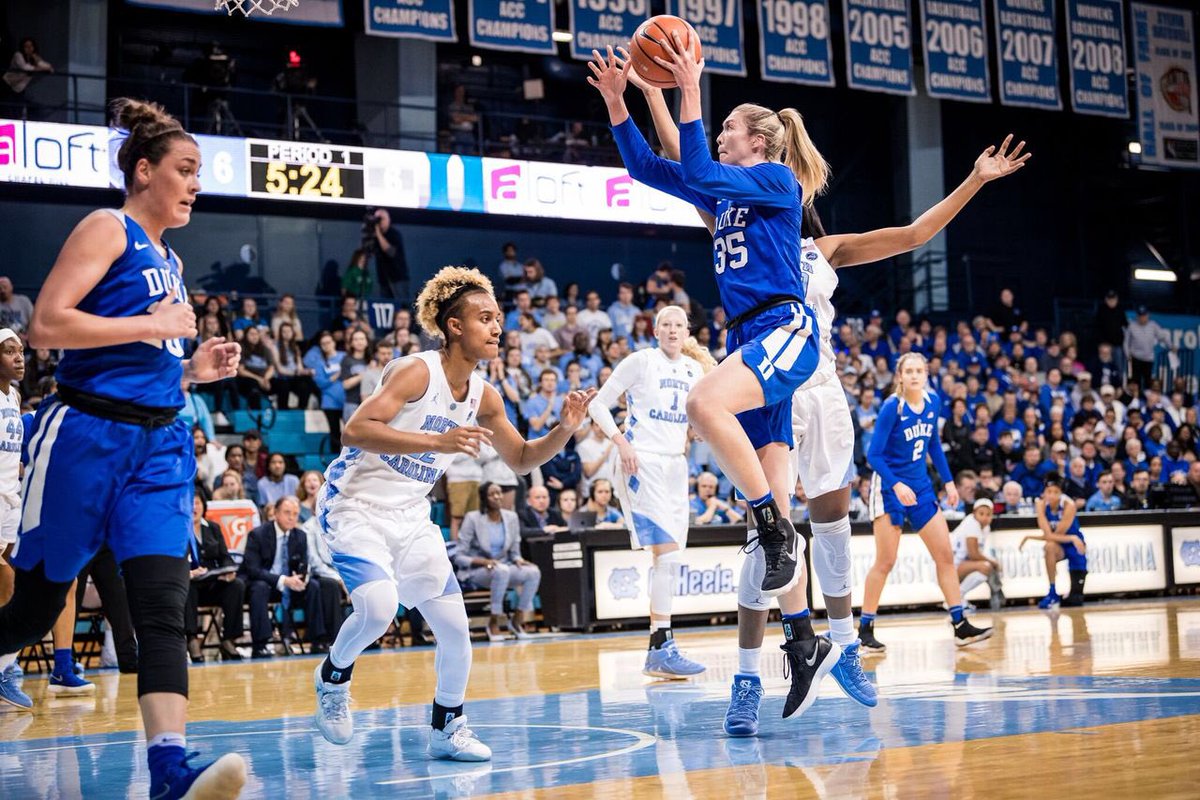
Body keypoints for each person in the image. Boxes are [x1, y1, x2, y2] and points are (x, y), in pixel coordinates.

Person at [628, 54, 1028, 726]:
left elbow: (912, 235)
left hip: (819, 387)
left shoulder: (825, 243)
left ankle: (842, 644)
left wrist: (976, 181)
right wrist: (653, 94)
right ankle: (758, 672)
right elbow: (685, 160)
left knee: (831, 529)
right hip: (764, 375)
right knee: (769, 539)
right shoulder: (738, 218)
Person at [0, 99, 245, 799]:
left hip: (162, 446)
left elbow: (151, 352)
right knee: (29, 614)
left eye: (199, 172)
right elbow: (46, 325)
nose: (197, 183)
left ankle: (170, 766)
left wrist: (193, 369)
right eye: (186, 170)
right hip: (86, 437)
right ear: (144, 171)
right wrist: (147, 325)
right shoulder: (107, 228)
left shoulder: (170, 255)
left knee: (163, 610)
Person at [591, 43, 837, 731]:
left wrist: (687, 86)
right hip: (752, 341)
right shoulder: (727, 197)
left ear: (756, 140)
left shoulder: (777, 182)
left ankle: (771, 526)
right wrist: (624, 98)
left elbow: (696, 161)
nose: (720, 130)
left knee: (703, 403)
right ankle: (802, 638)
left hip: (784, 330)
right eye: (718, 122)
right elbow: (652, 164)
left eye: (728, 124)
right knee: (775, 527)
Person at [310, 266, 593, 761]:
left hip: (411, 516)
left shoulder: (485, 396)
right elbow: (354, 430)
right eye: (485, 318)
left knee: (456, 630)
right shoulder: (416, 371)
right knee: (377, 609)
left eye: (499, 318)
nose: (497, 327)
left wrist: (565, 429)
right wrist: (436, 441)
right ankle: (333, 677)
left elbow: (523, 459)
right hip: (354, 506)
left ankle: (448, 727)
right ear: (454, 326)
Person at [861, 353, 992, 650]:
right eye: (909, 371)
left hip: (921, 488)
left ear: (926, 373)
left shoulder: (933, 402)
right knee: (886, 561)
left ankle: (959, 624)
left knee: (945, 556)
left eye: (919, 370)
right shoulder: (891, 408)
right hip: (889, 488)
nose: (915, 375)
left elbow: (933, 443)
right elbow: (874, 456)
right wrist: (896, 484)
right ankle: (865, 629)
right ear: (900, 376)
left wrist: (948, 482)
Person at [240, 497, 328, 657]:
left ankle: (318, 640)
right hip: (266, 583)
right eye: (287, 513)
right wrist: (283, 580)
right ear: (275, 513)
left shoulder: (300, 535)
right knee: (258, 588)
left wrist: (301, 579)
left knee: (313, 586)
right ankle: (262, 644)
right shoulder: (258, 534)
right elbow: (252, 570)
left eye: (295, 514)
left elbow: (303, 564)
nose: (291, 517)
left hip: (290, 585)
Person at [454, 482, 542, 641]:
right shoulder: (473, 518)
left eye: (499, 493)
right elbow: (459, 556)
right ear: (484, 498)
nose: (497, 497)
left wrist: (519, 560)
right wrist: (483, 561)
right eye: (492, 494)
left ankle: (517, 619)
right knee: (501, 570)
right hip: (477, 571)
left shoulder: (511, 517)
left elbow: (515, 551)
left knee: (533, 572)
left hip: (504, 566)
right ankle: (493, 622)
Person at [184, 493, 244, 663]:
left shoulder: (213, 527)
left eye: (197, 503)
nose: (194, 507)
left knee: (236, 585)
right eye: (190, 503)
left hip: (212, 581)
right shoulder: (179, 529)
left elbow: (225, 556)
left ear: (204, 506)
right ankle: (192, 639)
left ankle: (228, 639)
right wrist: (189, 573)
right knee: (188, 587)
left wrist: (228, 571)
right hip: (191, 582)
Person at [1023, 473, 1088, 608]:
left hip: (1073, 544)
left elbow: (1057, 533)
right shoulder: (1040, 505)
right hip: (1065, 540)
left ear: (1061, 493)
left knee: (1076, 600)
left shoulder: (1069, 505)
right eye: (1049, 492)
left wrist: (1073, 537)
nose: (1052, 495)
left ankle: (1073, 593)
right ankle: (1052, 592)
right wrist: (1071, 537)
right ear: (1044, 493)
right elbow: (1048, 535)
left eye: (1056, 492)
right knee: (1049, 547)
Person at [951, 498, 1000, 604]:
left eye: (988, 514)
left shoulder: (985, 528)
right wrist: (993, 561)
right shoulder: (972, 523)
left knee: (987, 567)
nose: (985, 518)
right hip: (950, 567)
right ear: (974, 513)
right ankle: (956, 598)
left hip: (961, 564)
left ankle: (958, 598)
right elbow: (974, 554)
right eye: (981, 513)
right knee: (986, 566)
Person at [1124, 305, 1173, 389]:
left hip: (1148, 358)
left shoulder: (1153, 325)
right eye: (1140, 316)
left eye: (1144, 315)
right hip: (1135, 358)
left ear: (1148, 315)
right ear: (1137, 316)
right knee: (1135, 381)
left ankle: (1147, 400)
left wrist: (1171, 346)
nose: (1142, 318)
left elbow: (1163, 336)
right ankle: (1136, 399)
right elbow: (1126, 342)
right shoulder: (1132, 326)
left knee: (1147, 380)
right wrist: (1128, 355)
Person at [368, 209, 408, 300]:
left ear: (388, 220)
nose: (379, 222)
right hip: (384, 280)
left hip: (398, 279)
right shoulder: (375, 237)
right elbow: (368, 251)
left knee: (401, 307)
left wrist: (378, 233)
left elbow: (390, 251)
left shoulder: (394, 234)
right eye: (377, 219)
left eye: (381, 219)